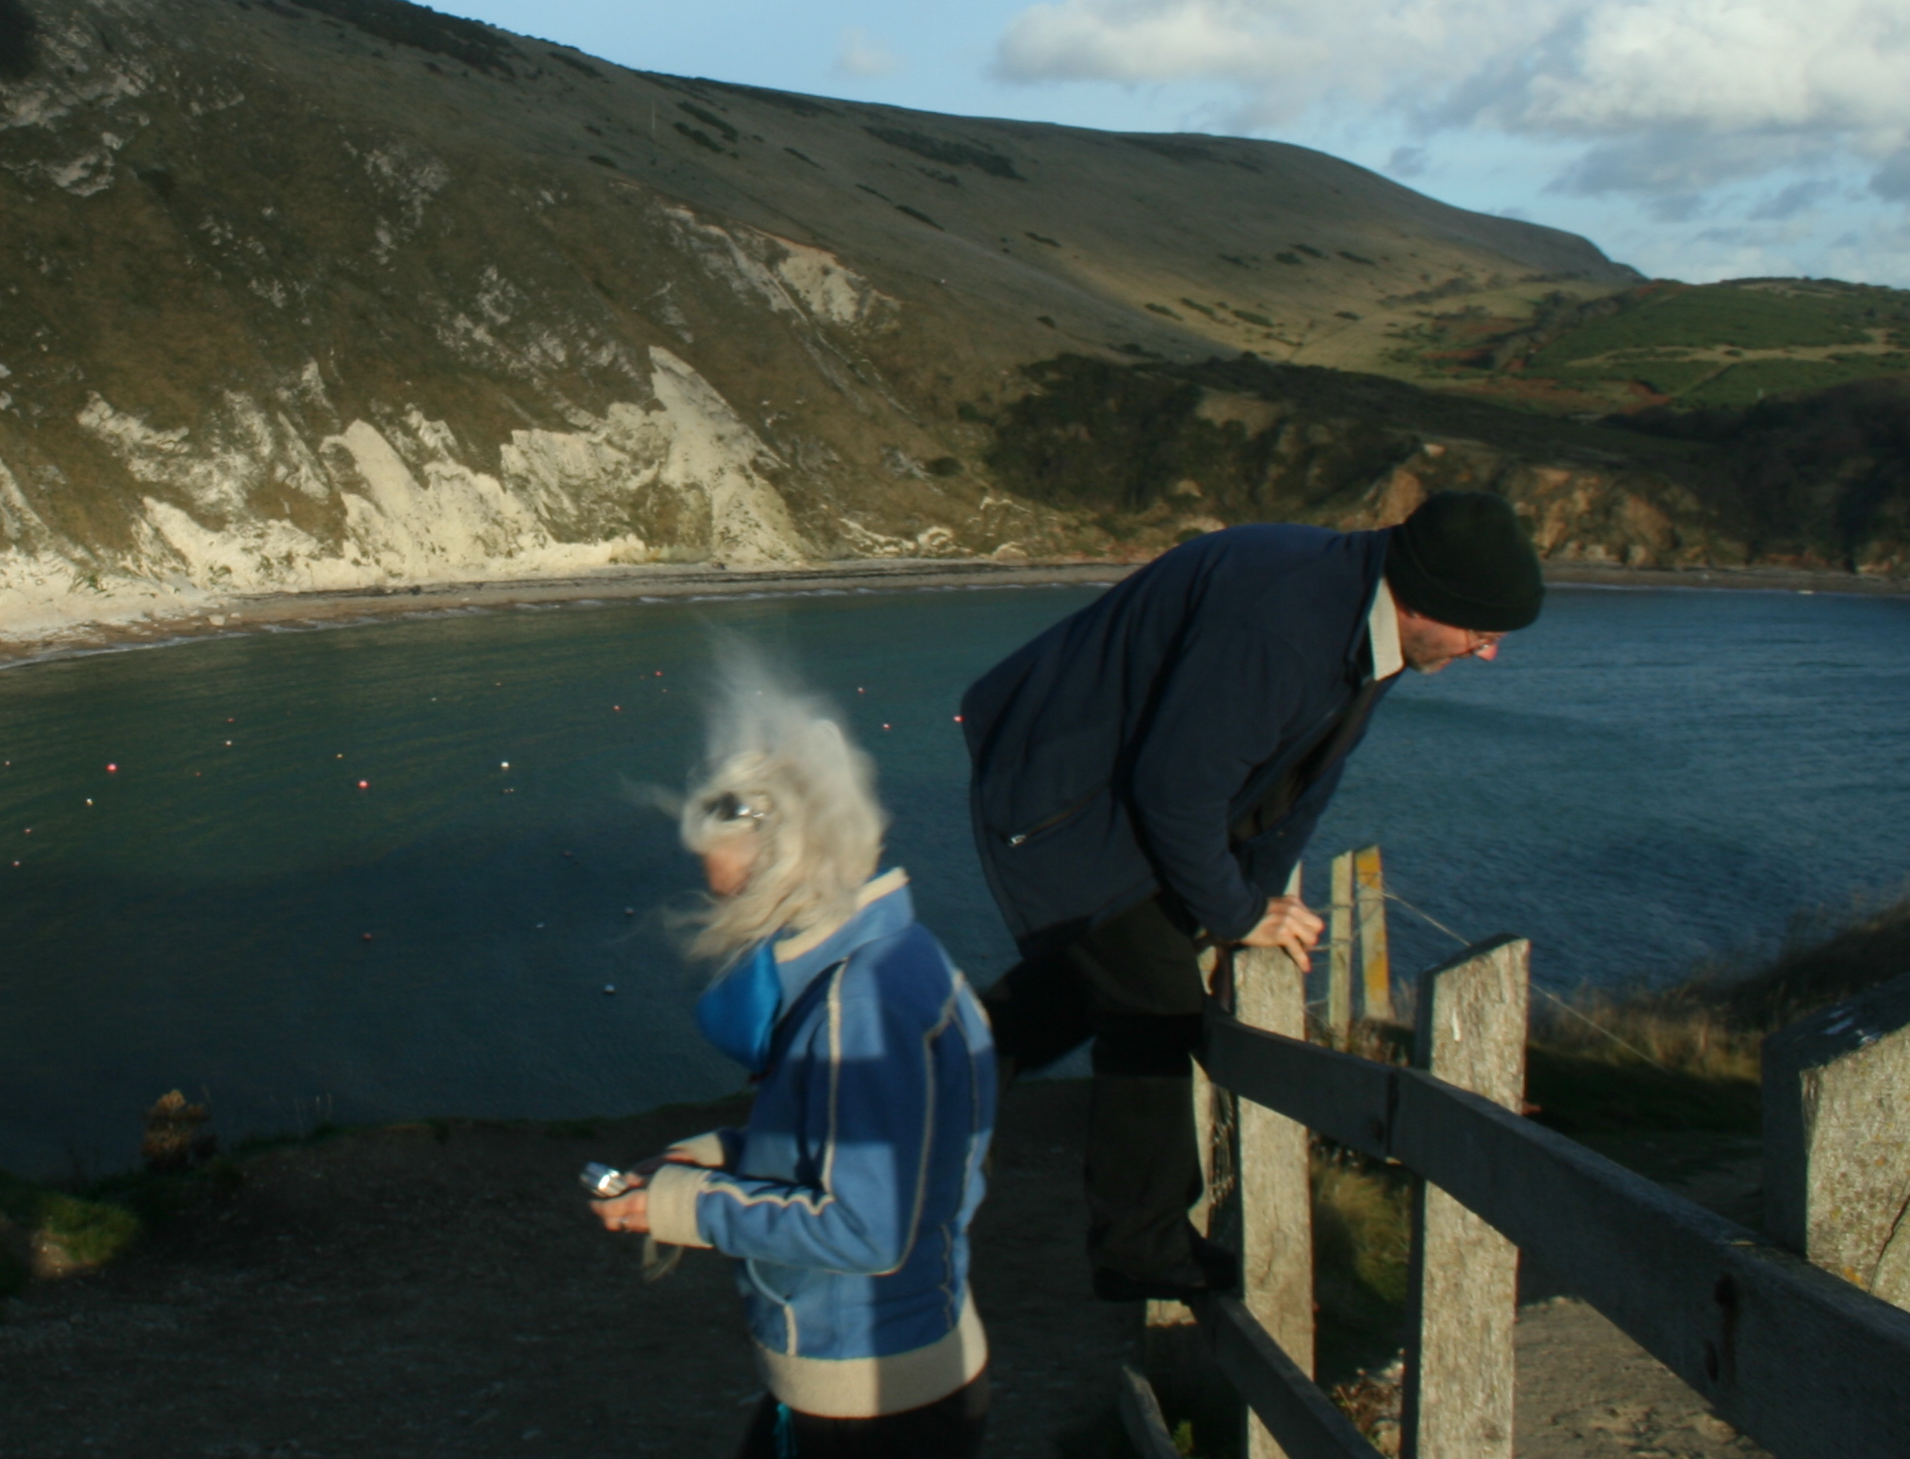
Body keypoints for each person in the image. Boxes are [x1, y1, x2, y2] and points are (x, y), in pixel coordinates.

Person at [957, 488, 1544, 1303]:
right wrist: (1234, 912)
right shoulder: (1288, 624)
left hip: (1119, 785)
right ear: (1426, 603)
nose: (1488, 655)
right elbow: (1176, 789)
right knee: (1155, 1008)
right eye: (1482, 634)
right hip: (1064, 794)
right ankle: (1141, 1252)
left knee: (1092, 976)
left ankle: (919, 1092)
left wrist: (1250, 907)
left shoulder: (1368, 618)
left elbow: (1300, 785)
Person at [589, 686, 1000, 1457]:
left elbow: (865, 1229)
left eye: (731, 883)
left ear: (782, 863)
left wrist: (682, 1207)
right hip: (904, 1371)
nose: (721, 905)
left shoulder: (859, 1004)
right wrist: (714, 1157)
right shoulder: (901, 955)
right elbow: (859, 1151)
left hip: (868, 1400)